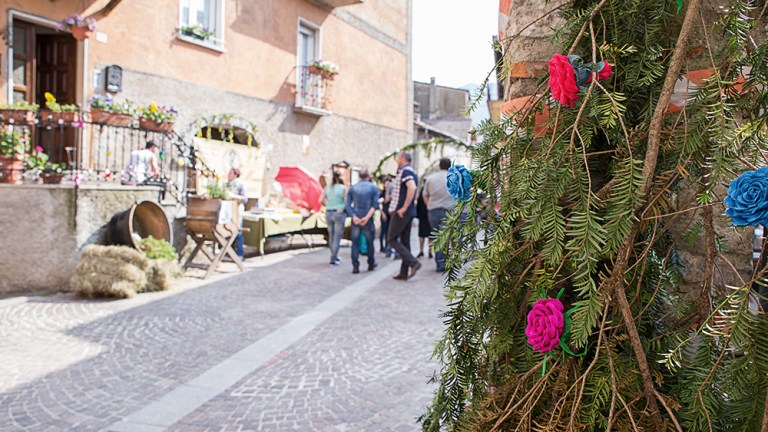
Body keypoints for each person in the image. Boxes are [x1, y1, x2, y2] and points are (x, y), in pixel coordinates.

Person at [387, 151, 421, 280]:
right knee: (405, 241)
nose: (396, 159)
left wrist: (403, 208)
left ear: (402, 158)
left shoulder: (406, 172)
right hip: (408, 211)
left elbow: (411, 188)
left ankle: (413, 262)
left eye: (398, 157)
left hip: (402, 212)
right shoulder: (411, 172)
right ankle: (404, 272)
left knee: (392, 239)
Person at [422, 157, 455, 272]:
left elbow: (424, 195)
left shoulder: (430, 178)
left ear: (439, 165)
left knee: (436, 237)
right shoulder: (453, 178)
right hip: (448, 211)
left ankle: (439, 262)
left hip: (433, 211)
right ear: (449, 166)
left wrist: (429, 205)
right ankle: (442, 263)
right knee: (444, 238)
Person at [345, 168, 379, 274]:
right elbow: (375, 205)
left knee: (355, 243)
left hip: (356, 218)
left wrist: (354, 216)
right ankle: (371, 263)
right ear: (368, 176)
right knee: (369, 242)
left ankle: (355, 266)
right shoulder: (373, 188)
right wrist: (367, 217)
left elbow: (347, 205)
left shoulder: (353, 188)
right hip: (367, 218)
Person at [322, 172, 347, 265]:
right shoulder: (343, 188)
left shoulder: (327, 188)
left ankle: (334, 255)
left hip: (328, 212)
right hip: (338, 212)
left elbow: (320, 200)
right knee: (337, 236)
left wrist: (327, 205)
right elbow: (346, 201)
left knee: (331, 235)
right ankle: (333, 258)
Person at [226, 167, 248, 260]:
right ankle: (228, 252)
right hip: (228, 210)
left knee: (238, 231)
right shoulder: (227, 184)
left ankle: (240, 253)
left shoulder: (240, 184)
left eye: (230, 173)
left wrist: (234, 196)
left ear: (235, 174)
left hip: (237, 210)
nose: (228, 175)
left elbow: (245, 199)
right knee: (228, 231)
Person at [416, 191, 432, 259]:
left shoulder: (422, 191)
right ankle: (429, 251)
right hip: (430, 214)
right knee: (430, 235)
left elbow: (418, 205)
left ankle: (421, 250)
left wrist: (417, 214)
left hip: (422, 216)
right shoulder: (431, 191)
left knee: (421, 235)